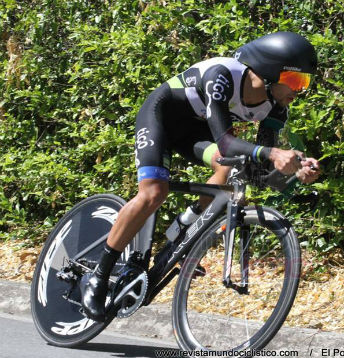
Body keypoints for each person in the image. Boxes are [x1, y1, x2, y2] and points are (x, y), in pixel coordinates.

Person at [81, 31, 321, 321]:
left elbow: (258, 173)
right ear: (270, 69)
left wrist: (294, 171)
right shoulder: (222, 75)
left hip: (193, 133)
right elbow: (226, 143)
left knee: (232, 168)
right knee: (154, 192)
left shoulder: (276, 107)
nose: (300, 90)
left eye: (305, 83)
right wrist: (273, 154)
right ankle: (99, 275)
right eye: (296, 80)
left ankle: (183, 229)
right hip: (160, 117)